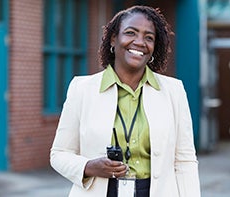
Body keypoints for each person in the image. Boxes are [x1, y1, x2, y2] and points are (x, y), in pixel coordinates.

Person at [50, 5, 201, 197]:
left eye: (149, 37)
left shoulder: (173, 91)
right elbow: (59, 154)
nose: (140, 42)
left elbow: (185, 160)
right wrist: (88, 166)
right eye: (131, 33)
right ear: (114, 39)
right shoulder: (82, 89)